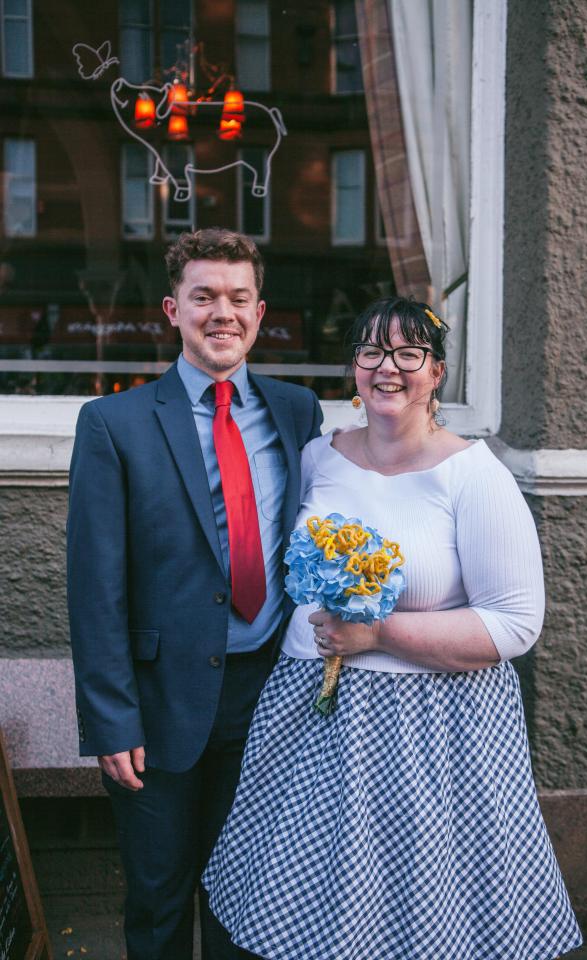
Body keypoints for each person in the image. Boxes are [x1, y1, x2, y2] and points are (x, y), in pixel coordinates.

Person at [203, 296, 583, 960]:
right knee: (310, 911)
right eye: (371, 351)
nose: (388, 368)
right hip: (311, 721)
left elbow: (515, 624)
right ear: (354, 367)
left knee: (414, 919)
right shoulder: (320, 458)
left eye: (409, 353)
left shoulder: (474, 476)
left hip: (431, 731)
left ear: (436, 373)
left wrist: (379, 634)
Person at [67, 227, 323, 960]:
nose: (223, 312)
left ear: (260, 311)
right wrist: (111, 720)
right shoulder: (113, 424)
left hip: (268, 698)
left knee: (247, 892)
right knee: (159, 895)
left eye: (238, 298)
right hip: (158, 702)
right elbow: (95, 588)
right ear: (171, 309)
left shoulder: (296, 412)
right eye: (204, 296)